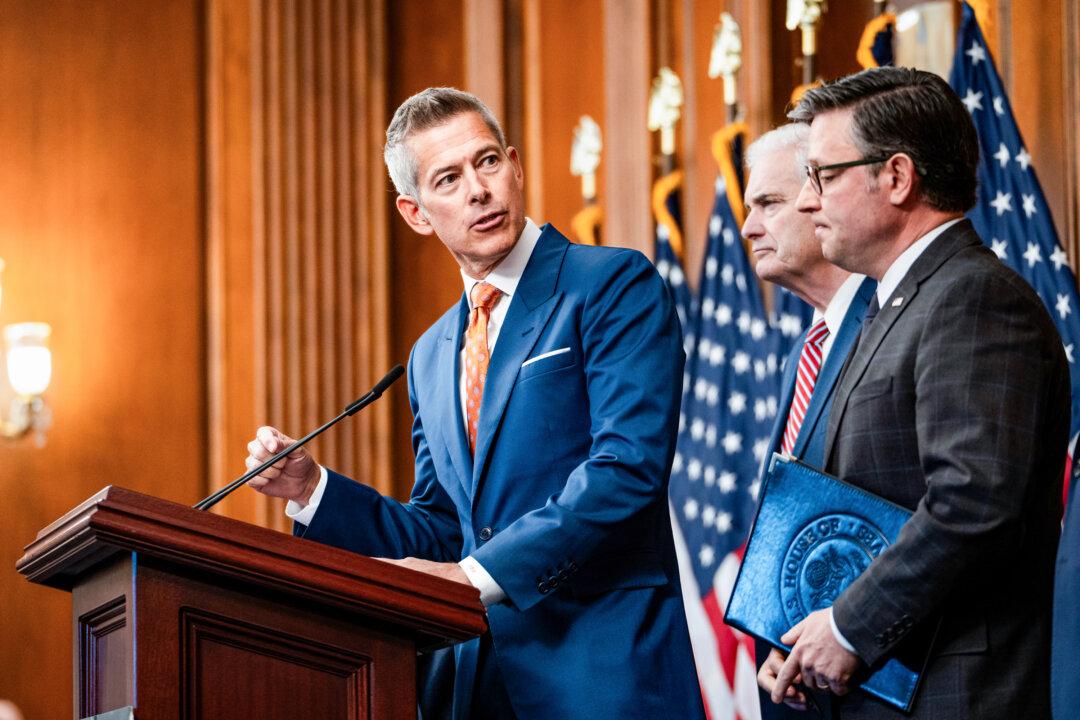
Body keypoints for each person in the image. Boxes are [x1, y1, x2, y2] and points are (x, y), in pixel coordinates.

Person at [243, 87, 705, 720]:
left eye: (487, 163)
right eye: (449, 179)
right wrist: (313, 489)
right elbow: (443, 528)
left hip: (602, 677)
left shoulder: (611, 284)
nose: (479, 190)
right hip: (475, 689)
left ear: (515, 166)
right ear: (416, 213)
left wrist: (475, 578)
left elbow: (627, 469)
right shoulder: (431, 354)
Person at [759, 66, 1069, 719]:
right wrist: (800, 627)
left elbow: (973, 503)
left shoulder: (973, 298)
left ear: (896, 177)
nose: (808, 201)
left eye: (824, 176)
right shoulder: (894, 304)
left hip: (954, 694)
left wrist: (846, 626)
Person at [740, 122, 876, 717]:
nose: (748, 227)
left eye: (767, 203)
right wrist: (775, 635)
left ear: (818, 198)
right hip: (804, 680)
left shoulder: (888, 326)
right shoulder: (807, 347)